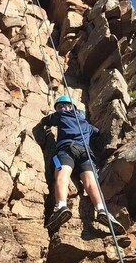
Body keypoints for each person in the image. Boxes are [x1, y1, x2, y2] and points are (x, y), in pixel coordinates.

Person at [41, 95, 126, 235]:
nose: (60, 108)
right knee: (91, 182)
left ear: (67, 107)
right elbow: (98, 133)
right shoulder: (86, 124)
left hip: (67, 149)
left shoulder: (61, 115)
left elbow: (45, 121)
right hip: (86, 153)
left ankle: (61, 206)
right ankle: (101, 210)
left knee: (62, 175)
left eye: (61, 106)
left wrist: (48, 124)